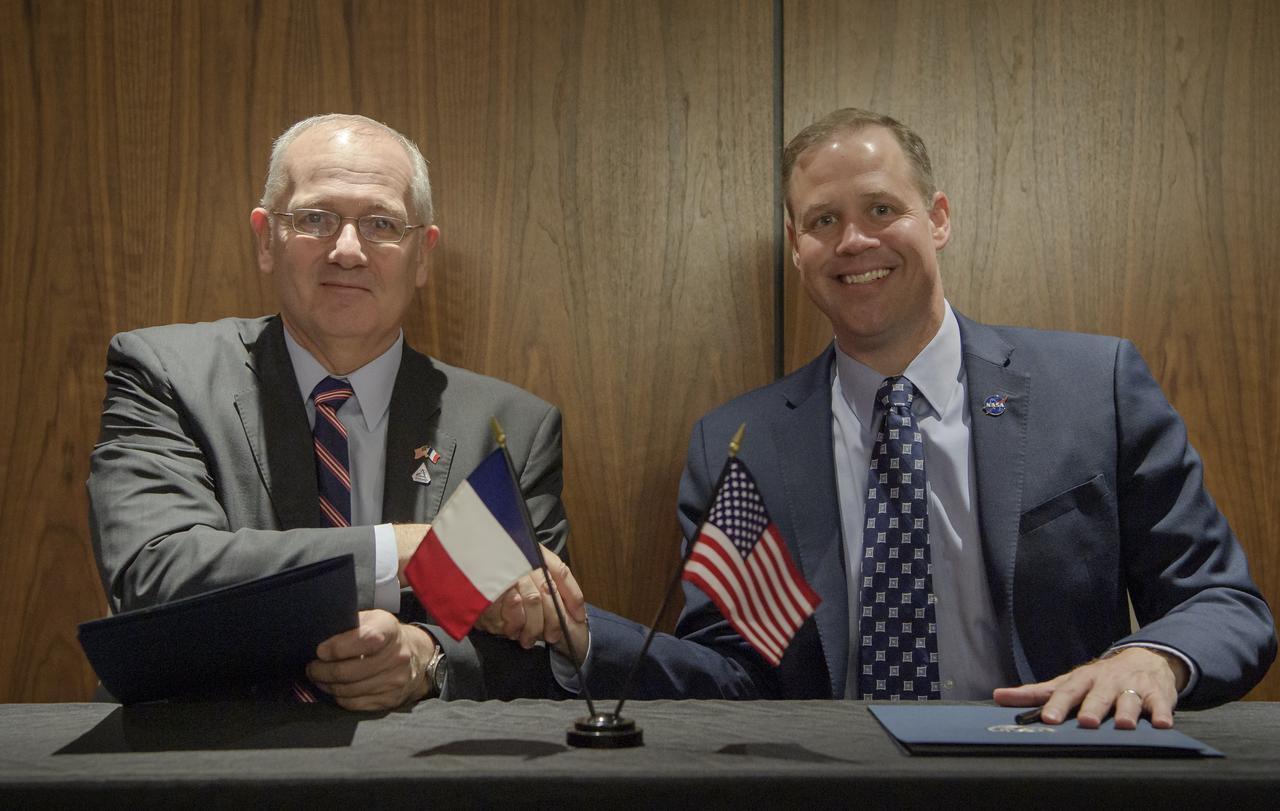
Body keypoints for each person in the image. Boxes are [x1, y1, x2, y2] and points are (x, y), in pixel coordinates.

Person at [556, 108, 1275, 728]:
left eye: (880, 210)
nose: (854, 242)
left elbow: (1223, 600)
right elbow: (734, 676)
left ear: (937, 218)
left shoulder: (1095, 388)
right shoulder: (739, 446)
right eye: (823, 221)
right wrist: (585, 634)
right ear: (797, 247)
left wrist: (1153, 657)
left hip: (1053, 770)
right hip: (834, 788)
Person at [88, 114, 582, 711]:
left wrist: (427, 656)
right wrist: (411, 549)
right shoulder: (165, 375)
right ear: (265, 239)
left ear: (422, 255)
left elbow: (544, 634)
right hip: (201, 760)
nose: (348, 251)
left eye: (381, 224)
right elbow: (157, 573)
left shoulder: (511, 429)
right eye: (316, 219)